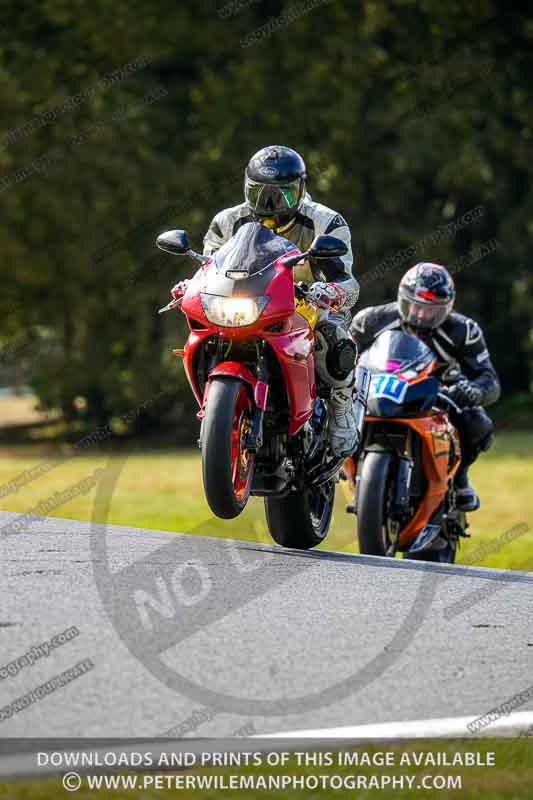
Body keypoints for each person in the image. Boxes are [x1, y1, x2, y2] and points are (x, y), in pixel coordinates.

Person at [171, 145, 361, 457]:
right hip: (245, 302)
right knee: (200, 329)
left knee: (334, 337)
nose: (270, 203)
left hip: (308, 302)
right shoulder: (227, 221)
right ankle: (220, 411)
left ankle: (341, 415)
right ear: (247, 188)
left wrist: (332, 292)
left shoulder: (326, 222)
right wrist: (189, 286)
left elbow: (346, 280)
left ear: (301, 189)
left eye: (283, 193)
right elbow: (208, 269)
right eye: (260, 193)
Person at [350, 262, 500, 511]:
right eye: (415, 306)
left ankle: (460, 478)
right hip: (381, 391)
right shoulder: (370, 320)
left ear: (446, 308)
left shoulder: (464, 331)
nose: (420, 315)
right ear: (402, 299)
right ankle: (336, 466)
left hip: (437, 398)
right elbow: (342, 355)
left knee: (477, 423)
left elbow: (489, 379)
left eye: (430, 311)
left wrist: (473, 391)